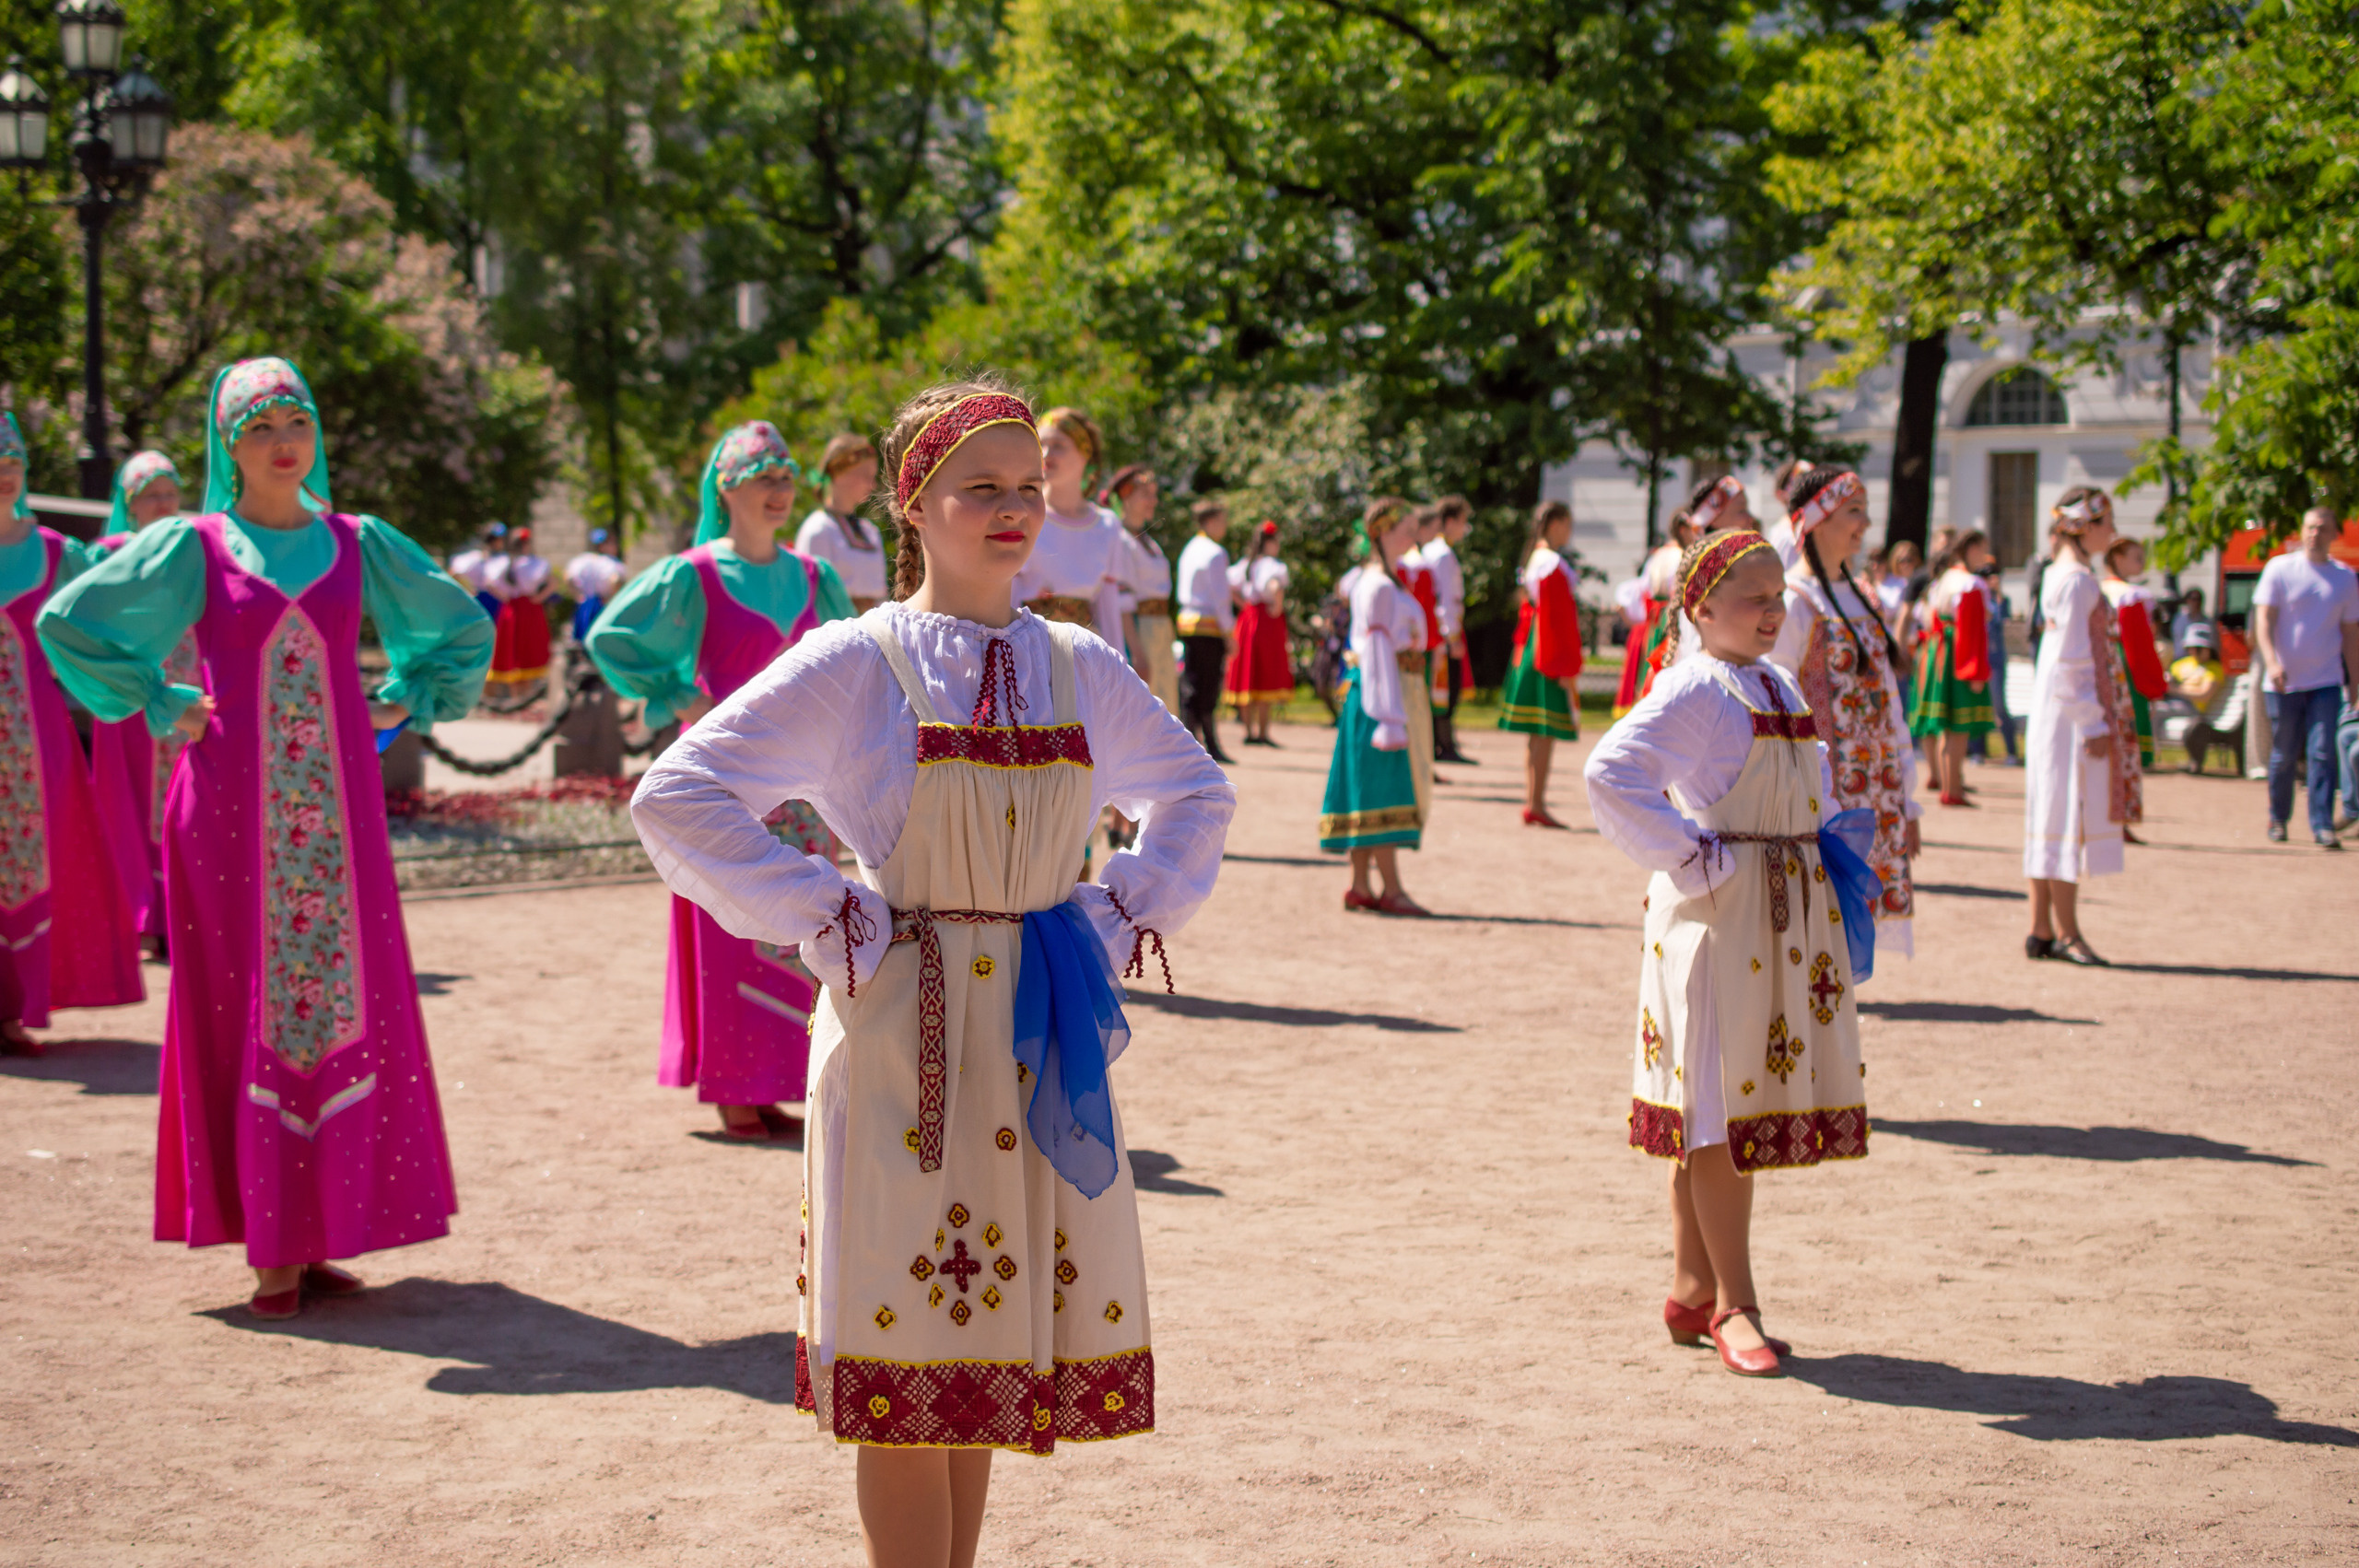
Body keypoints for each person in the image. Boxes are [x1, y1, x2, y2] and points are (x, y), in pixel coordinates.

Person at [628, 378, 1231, 1567]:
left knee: (985, 1342)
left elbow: (1196, 792)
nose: (1014, 509)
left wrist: (1115, 914)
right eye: (981, 488)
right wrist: (829, 909)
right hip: (909, 1027)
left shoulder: (1074, 662)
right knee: (911, 1356)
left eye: (1028, 487)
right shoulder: (860, 661)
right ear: (914, 503)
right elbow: (680, 795)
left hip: (1040, 1010)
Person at [40, 357, 491, 1316]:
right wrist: (157, 697)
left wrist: (411, 692)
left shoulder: (354, 541)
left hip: (340, 817)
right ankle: (271, 1246)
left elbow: (456, 626)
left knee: (339, 998)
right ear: (227, 444)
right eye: (258, 426)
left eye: (297, 419)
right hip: (228, 821)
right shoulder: (194, 547)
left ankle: (324, 1223)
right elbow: (72, 622)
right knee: (249, 1001)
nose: (283, 439)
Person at [1584, 528, 1869, 1380]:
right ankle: (1734, 1306)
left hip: (1776, 918)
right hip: (1719, 923)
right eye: (1755, 597)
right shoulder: (1699, 688)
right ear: (1700, 606)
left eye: (1780, 595)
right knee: (1716, 1113)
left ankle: (1691, 1284)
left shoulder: (1770, 679)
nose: (1774, 609)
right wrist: (1694, 854)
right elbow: (1612, 771)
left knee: (1714, 1105)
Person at [586, 421, 854, 1139]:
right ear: (727, 486)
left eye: (786, 476)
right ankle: (735, 1082)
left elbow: (852, 662)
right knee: (728, 918)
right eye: (763, 476)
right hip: (723, 777)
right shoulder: (694, 573)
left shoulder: (813, 577)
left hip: (798, 780)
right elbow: (611, 635)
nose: (778, 490)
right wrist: (680, 697)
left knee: (799, 914)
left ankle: (783, 1078)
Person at [0, 415, 143, 1053]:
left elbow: (108, 623)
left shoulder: (58, 554)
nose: (5, 468)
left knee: (33, 860)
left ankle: (13, 1007)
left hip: (37, 740)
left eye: (12, 456)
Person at [1766, 469, 1920, 957]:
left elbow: (1890, 701)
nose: (1866, 523)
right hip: (1824, 787)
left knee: (1854, 906)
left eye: (1864, 510)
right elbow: (1771, 697)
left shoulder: (1862, 596)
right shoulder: (1794, 600)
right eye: (1854, 511)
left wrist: (1907, 795)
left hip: (1874, 782)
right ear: (1816, 520)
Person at [88, 451, 195, 956]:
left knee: (185, 800)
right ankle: (143, 914)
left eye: (170, 493)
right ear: (130, 504)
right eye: (151, 495)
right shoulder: (107, 554)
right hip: (131, 702)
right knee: (131, 802)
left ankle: (182, 913)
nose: (163, 503)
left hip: (189, 695)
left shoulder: (193, 548)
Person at [2022, 488, 2134, 964]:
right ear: (2085, 526)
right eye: (2106, 521)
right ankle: (2066, 931)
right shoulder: (2077, 582)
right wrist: (2093, 722)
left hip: (2057, 710)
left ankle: (2042, 927)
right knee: (2063, 813)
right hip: (2070, 715)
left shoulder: (2058, 574)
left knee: (2049, 812)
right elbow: (2072, 661)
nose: (2112, 531)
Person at [1319, 498, 1431, 915]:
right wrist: (1389, 716)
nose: (1413, 535)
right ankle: (1392, 888)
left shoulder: (1384, 580)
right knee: (1382, 787)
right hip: (1380, 694)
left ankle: (1361, 883)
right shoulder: (1380, 585)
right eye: (1406, 528)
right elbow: (1378, 650)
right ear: (1382, 532)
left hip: (1376, 692)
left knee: (1366, 786)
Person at [2253, 507, 2359, 848]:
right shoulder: (2280, 569)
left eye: (2323, 528)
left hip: (2326, 681)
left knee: (2323, 752)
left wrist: (2354, 683)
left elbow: (2351, 635)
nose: (2316, 534)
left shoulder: (2344, 578)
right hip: (2283, 681)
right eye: (2311, 527)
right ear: (2301, 530)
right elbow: (2264, 620)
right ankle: (2278, 818)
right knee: (2284, 754)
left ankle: (2322, 825)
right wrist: (2271, 662)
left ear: (2334, 535)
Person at [1498, 499, 1583, 827]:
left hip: (1536, 645)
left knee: (1537, 733)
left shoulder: (1538, 558)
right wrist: (1562, 665)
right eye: (1568, 523)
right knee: (1543, 731)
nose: (1570, 530)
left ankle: (1534, 801)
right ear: (1556, 522)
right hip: (1546, 650)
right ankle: (1536, 802)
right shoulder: (1551, 562)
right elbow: (1556, 617)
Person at [1009, 407, 1122, 645]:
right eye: (1042, 445)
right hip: (1030, 650)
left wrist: (1119, 670)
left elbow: (1108, 608)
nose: (1047, 454)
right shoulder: (1022, 513)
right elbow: (1008, 595)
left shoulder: (1106, 525)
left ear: (1085, 453)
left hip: (1086, 655)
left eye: (1059, 445)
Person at [1909, 530, 1998, 807]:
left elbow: (1930, 616)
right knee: (1957, 726)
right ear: (1970, 549)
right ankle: (1953, 789)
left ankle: (1949, 784)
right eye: (1982, 548)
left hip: (1940, 650)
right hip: (1957, 652)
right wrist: (1975, 671)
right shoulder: (1971, 583)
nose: (1984, 555)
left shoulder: (1944, 579)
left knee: (1945, 726)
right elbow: (1972, 628)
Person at [1104, 464, 1177, 715]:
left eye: (1154, 494)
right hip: (1139, 630)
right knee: (1145, 708)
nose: (1153, 501)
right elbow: (1123, 601)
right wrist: (1136, 651)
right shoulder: (1121, 539)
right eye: (1146, 494)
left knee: (1166, 704)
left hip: (1158, 629)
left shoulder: (1149, 542)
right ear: (1126, 497)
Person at [795, 433, 889, 614]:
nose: (872, 485)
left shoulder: (870, 531)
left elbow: (881, 595)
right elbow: (809, 598)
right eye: (864, 475)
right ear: (838, 473)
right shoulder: (818, 529)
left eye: (873, 476)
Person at [2102, 538, 2171, 776]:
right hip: (2126, 664)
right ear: (2118, 559)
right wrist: (2152, 681)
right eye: (2137, 558)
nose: (2142, 562)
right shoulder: (2131, 595)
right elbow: (2139, 643)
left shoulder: (2098, 589)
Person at [1174, 497, 1236, 764]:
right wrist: (1229, 632)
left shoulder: (1189, 549)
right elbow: (1221, 598)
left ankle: (1192, 740)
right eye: (1222, 520)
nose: (1224, 526)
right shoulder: (1215, 552)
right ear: (1211, 521)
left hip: (1187, 622)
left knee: (1191, 684)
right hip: (1209, 625)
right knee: (1209, 686)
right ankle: (1209, 742)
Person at [1617, 516, 1697, 716]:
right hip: (1672, 612)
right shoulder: (1684, 555)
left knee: (1650, 663)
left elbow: (1641, 588)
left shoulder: (1657, 555)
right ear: (1682, 529)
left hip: (1655, 614)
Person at [1418, 496, 1475, 764]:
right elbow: (1444, 599)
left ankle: (1443, 741)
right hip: (1443, 631)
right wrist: (1451, 635)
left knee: (1443, 689)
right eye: (1462, 522)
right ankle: (1441, 744)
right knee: (1444, 689)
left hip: (1440, 629)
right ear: (1449, 521)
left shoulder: (1437, 552)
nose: (1465, 529)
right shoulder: (1441, 554)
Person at [1225, 521, 1291, 745]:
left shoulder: (1245, 564)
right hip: (1267, 621)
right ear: (1270, 543)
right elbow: (1275, 586)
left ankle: (1249, 732)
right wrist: (1277, 605)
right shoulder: (1273, 565)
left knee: (1247, 672)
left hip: (1247, 620)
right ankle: (1263, 733)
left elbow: (1230, 586)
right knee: (1266, 674)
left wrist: (1243, 605)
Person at [483, 525, 554, 692]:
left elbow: (490, 583)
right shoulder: (528, 563)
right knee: (517, 651)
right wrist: (539, 597)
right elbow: (552, 582)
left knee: (522, 651)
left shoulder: (506, 563)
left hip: (518, 608)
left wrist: (507, 598)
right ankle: (518, 696)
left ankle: (521, 696)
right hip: (524, 608)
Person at [564, 528, 627, 643]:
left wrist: (578, 596)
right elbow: (615, 580)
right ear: (603, 545)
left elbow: (569, 578)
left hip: (584, 604)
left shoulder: (580, 560)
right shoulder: (611, 563)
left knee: (582, 638)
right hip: (602, 605)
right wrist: (613, 599)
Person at [449, 522, 505, 620]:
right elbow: (454, 573)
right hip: (482, 599)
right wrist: (467, 589)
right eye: (499, 539)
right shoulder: (476, 557)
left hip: (494, 601)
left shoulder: (499, 558)